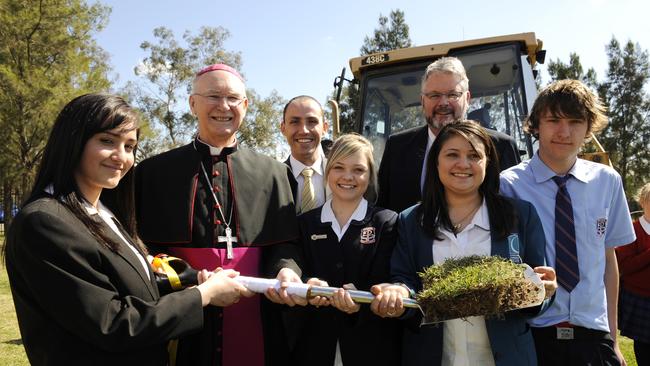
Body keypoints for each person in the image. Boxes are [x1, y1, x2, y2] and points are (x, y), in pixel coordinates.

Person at [4, 93, 253, 365]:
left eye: (130, 146)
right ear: (73, 141)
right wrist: (203, 296)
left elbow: (133, 287)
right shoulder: (45, 221)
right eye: (107, 141)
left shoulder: (104, 214)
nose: (121, 157)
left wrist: (196, 282)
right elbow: (113, 323)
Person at [134, 64, 303, 366]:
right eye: (213, 96)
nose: (224, 107)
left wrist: (287, 270)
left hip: (257, 316)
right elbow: (141, 250)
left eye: (233, 99)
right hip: (183, 315)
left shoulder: (275, 173)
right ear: (192, 103)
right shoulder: (152, 173)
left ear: (246, 106)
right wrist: (191, 279)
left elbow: (287, 244)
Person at [371, 121, 557, 366]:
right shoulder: (410, 220)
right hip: (432, 357)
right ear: (435, 161)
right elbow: (404, 279)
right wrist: (398, 294)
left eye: (474, 156)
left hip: (507, 358)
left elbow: (537, 284)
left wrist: (544, 292)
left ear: (487, 162)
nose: (463, 164)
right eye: (452, 155)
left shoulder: (520, 216)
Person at [500, 79, 636, 366]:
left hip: (593, 335)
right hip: (534, 332)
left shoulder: (607, 181)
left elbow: (608, 260)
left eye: (575, 121)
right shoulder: (509, 185)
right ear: (536, 124)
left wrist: (613, 338)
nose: (564, 132)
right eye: (553, 120)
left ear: (589, 128)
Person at [293, 134, 401, 366]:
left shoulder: (386, 221)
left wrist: (361, 298)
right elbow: (296, 271)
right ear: (328, 171)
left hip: (372, 348)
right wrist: (308, 284)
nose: (348, 177)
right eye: (339, 167)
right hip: (314, 346)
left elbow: (388, 277)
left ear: (370, 175)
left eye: (358, 170)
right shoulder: (305, 223)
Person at [377, 56, 521, 213]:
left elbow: (514, 215)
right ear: (423, 101)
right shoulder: (397, 147)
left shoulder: (502, 147)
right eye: (434, 95)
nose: (443, 103)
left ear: (467, 98)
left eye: (453, 95)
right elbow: (384, 211)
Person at [617, 182, 650, 365]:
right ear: (642, 202)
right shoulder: (633, 231)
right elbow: (625, 267)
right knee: (644, 349)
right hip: (640, 299)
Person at [280, 95, 330, 212]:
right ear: (283, 128)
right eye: (295, 122)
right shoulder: (272, 181)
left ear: (324, 128)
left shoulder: (342, 176)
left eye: (312, 122)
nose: (304, 130)